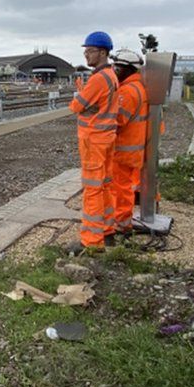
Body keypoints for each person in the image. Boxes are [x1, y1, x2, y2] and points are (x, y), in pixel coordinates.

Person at [68, 31, 120, 250]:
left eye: (89, 51)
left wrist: (80, 94)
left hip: (94, 141)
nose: (86, 55)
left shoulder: (98, 79)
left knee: (92, 189)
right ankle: (108, 231)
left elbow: (76, 106)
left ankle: (91, 241)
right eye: (85, 51)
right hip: (106, 138)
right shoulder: (111, 75)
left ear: (103, 52)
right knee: (106, 186)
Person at [109, 49, 149, 236]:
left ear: (127, 69)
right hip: (133, 147)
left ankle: (122, 223)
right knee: (125, 187)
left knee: (121, 188)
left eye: (117, 67)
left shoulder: (127, 91)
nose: (114, 70)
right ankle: (122, 219)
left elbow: (117, 121)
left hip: (123, 149)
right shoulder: (138, 87)